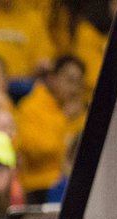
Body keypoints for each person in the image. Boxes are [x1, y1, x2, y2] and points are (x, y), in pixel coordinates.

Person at [14, 54, 87, 203]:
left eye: (78, 83)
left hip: (73, 184)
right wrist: (63, 119)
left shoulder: (80, 114)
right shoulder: (32, 107)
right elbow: (39, 150)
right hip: (39, 187)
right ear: (53, 79)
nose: (74, 89)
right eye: (69, 80)